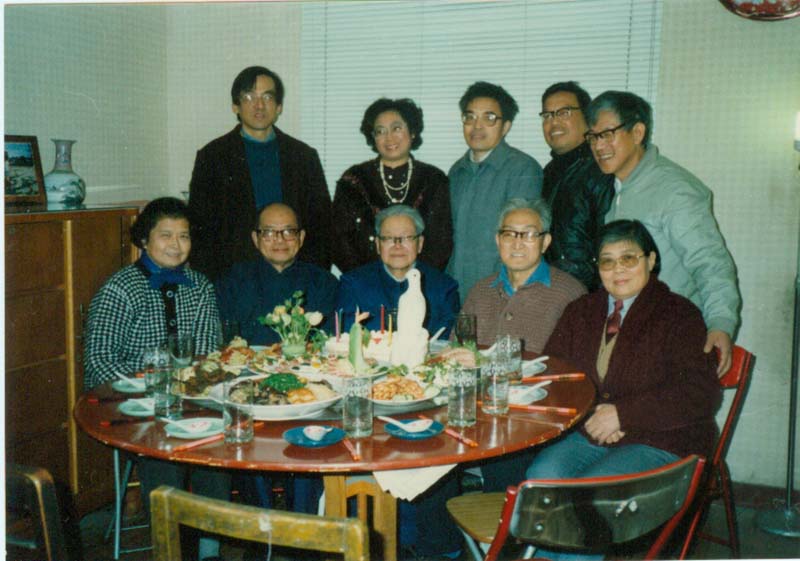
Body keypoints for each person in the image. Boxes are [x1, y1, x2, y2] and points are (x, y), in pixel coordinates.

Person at [523, 220, 722, 560]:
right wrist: (593, 415)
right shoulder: (581, 311)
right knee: (540, 478)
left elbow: (701, 392)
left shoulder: (679, 315)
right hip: (590, 432)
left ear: (651, 260)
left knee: (591, 498)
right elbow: (555, 375)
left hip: (661, 440)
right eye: (607, 261)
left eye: (629, 258)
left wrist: (623, 415)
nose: (618, 270)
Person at [83, 197, 229, 561]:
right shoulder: (120, 288)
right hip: (133, 405)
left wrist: (190, 385)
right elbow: (98, 363)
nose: (176, 245)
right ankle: (171, 548)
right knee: (161, 447)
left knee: (217, 438)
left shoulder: (199, 286)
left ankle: (209, 548)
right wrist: (153, 384)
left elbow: (208, 354)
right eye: (166, 235)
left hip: (191, 399)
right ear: (144, 240)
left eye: (184, 235)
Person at [585, 90, 740, 375]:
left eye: (607, 134)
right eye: (593, 137)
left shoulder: (674, 190)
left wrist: (720, 323)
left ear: (637, 132)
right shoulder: (620, 189)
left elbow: (709, 261)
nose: (599, 146)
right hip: (630, 335)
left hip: (669, 338)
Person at [188, 66, 331, 281]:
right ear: (235, 106)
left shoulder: (303, 156)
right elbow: (201, 230)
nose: (259, 105)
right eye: (249, 97)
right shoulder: (212, 157)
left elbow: (321, 227)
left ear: (279, 106)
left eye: (267, 97)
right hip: (234, 279)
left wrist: (313, 279)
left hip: (296, 276)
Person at [332, 98, 453, 273]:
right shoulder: (353, 180)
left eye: (396, 128)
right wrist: (368, 280)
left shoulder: (434, 179)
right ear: (373, 137)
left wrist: (416, 279)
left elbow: (441, 242)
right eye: (380, 131)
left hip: (422, 281)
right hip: (365, 282)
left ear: (412, 132)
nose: (389, 137)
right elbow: (339, 241)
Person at [448, 81, 543, 302]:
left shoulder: (522, 168)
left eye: (489, 118)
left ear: (506, 126)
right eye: (470, 117)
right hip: (456, 289)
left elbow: (522, 244)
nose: (477, 126)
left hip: (501, 293)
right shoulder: (456, 172)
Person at [461, 198, 586, 354]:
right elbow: (458, 350)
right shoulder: (479, 291)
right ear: (498, 241)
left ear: (545, 242)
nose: (517, 244)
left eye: (529, 234)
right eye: (508, 234)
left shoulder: (570, 294)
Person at [216, 202, 338, 346]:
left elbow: (328, 344)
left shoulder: (324, 283)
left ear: (301, 237)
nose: (280, 240)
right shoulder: (232, 282)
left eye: (289, 232)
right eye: (268, 232)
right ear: (255, 239)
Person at [337, 204, 459, 338]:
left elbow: (449, 341)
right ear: (378, 244)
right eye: (388, 238)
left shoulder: (444, 288)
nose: (397, 245)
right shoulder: (353, 285)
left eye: (406, 237)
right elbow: (347, 339)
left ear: (420, 244)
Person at [539, 81, 614, 291]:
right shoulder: (549, 172)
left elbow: (611, 244)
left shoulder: (600, 169)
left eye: (564, 113)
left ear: (587, 117)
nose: (554, 122)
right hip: (552, 290)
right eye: (547, 115)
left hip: (586, 293)